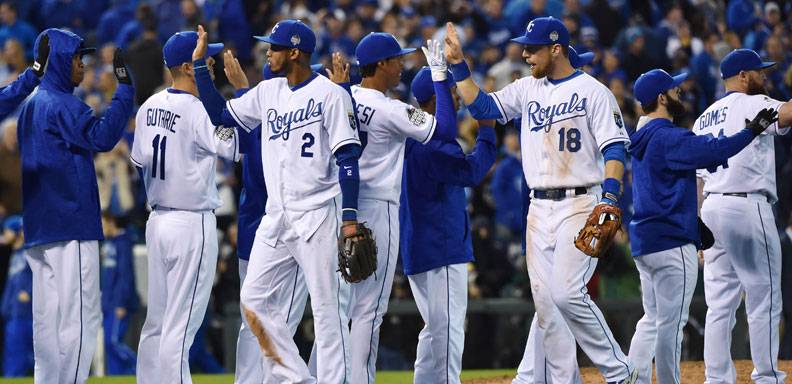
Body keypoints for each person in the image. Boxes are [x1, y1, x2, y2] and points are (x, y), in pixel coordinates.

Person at [444, 16, 637, 383]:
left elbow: (615, 149)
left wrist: (610, 197)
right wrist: (458, 65)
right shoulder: (526, 90)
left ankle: (621, 371)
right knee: (548, 308)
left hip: (580, 203)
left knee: (566, 294)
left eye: (532, 48)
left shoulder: (593, 91)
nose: (525, 54)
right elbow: (483, 108)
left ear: (556, 48)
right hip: (538, 208)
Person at [192, 20, 362, 382]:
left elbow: (348, 158)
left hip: (317, 211)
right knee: (252, 301)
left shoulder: (331, 95)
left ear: (295, 52)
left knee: (326, 309)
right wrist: (199, 71)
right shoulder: (268, 92)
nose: (267, 52)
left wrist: (349, 219)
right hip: (277, 215)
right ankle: (296, 378)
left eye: (275, 47)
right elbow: (222, 115)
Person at [628, 68, 778, 384]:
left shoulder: (640, 138)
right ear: (661, 97)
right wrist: (750, 132)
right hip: (670, 241)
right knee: (671, 322)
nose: (680, 93)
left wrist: (696, 218)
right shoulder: (668, 136)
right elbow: (715, 150)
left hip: (644, 239)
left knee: (652, 319)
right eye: (674, 90)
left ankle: (633, 379)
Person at [18, 28, 134, 384]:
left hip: (40, 230)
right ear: (58, 62)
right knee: (80, 318)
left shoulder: (31, 104)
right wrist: (125, 91)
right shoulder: (61, 103)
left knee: (48, 323)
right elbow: (102, 137)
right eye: (76, 57)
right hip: (71, 225)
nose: (82, 64)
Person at [346, 33, 459, 384]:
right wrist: (439, 75)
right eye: (397, 60)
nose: (402, 66)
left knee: (335, 309)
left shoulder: (340, 97)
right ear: (381, 64)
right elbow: (444, 130)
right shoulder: (389, 108)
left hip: (340, 208)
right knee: (369, 309)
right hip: (377, 208)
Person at [131, 30, 240, 384]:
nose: (210, 64)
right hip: (191, 223)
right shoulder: (198, 109)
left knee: (157, 323)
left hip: (158, 222)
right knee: (180, 327)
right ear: (187, 67)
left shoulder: (149, 105)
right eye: (205, 60)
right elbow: (234, 148)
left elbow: (139, 160)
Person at [696, 48, 792, 384]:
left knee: (719, 304)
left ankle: (716, 379)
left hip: (710, 208)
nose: (764, 77)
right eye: (759, 72)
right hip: (747, 205)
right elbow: (787, 114)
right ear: (743, 76)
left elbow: (697, 177)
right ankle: (766, 377)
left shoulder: (702, 117)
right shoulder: (754, 103)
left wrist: (698, 227)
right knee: (764, 296)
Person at [401, 66, 497, 383]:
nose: (456, 97)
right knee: (448, 329)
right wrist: (487, 132)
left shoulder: (410, 135)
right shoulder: (432, 141)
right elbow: (470, 172)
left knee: (434, 329)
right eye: (451, 91)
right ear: (434, 99)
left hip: (420, 246)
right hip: (439, 247)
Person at [233, 63, 309, 384]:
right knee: (280, 324)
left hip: (250, 232)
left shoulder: (251, 122)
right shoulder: (280, 127)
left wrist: (240, 92)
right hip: (281, 234)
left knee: (253, 320)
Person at [100, 213, 139, 375]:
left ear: (111, 221)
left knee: (113, 341)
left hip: (118, 303)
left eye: (102, 223)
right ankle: (116, 377)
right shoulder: (108, 244)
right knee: (108, 346)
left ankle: (143, 368)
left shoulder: (123, 243)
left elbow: (125, 274)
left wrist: (121, 302)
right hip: (108, 303)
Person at [0, 215, 33, 377]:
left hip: (27, 312)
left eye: (6, 231)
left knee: (25, 354)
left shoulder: (29, 251)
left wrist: (29, 292)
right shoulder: (16, 254)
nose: (4, 235)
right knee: (13, 354)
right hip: (13, 313)